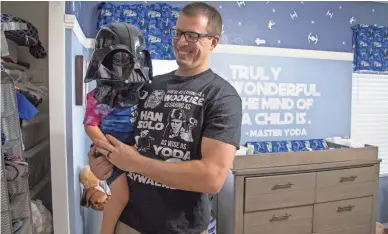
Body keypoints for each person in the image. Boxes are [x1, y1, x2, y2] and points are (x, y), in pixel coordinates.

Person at [88, 2, 242, 233]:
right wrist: (101, 164)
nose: (181, 42)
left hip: (182, 228)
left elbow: (213, 178)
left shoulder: (221, 96)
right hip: (129, 223)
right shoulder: (149, 87)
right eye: (178, 33)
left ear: (214, 42)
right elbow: (124, 142)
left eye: (192, 35)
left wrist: (135, 163)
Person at [83, 22, 153, 234]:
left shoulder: (144, 93)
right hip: (109, 154)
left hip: (135, 153)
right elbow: (90, 126)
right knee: (120, 195)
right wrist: (108, 151)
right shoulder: (96, 98)